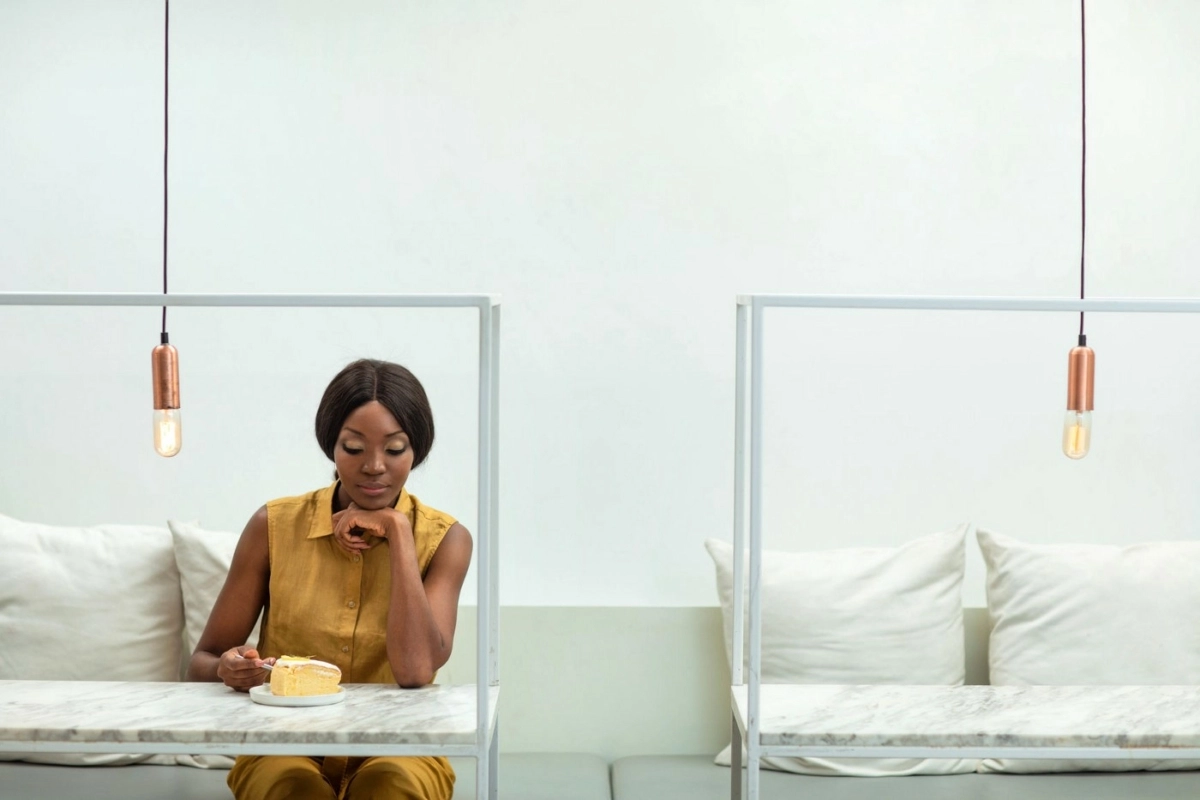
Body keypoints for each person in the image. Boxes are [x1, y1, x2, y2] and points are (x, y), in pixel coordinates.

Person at [187, 359, 473, 800]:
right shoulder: (273, 526)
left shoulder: (446, 540)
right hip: (282, 742)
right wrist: (229, 668)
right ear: (330, 447)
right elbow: (201, 661)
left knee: (391, 789)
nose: (374, 466)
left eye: (395, 449)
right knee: (292, 789)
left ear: (417, 450)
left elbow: (416, 671)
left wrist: (398, 531)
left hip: (403, 745)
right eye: (354, 448)